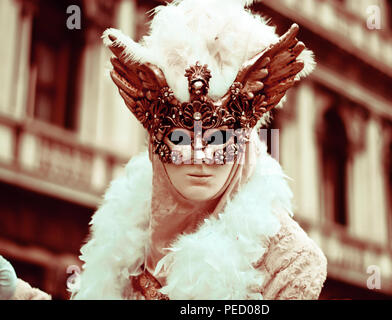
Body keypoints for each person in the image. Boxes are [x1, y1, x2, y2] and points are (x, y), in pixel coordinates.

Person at [71, 0, 327, 300]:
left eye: (218, 138)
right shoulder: (124, 239)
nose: (201, 156)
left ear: (244, 138)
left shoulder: (289, 263)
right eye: (179, 138)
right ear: (155, 139)